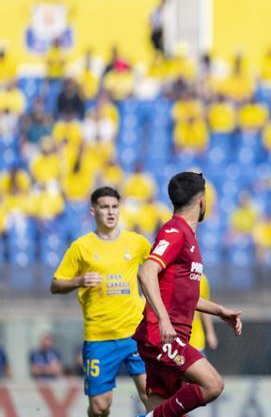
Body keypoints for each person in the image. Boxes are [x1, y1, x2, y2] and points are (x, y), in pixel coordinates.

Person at [134, 171, 243, 417]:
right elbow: (146, 272)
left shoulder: (187, 236)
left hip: (171, 335)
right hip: (162, 335)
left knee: (167, 409)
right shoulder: (175, 231)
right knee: (213, 384)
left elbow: (182, 295)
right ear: (203, 200)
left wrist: (219, 311)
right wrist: (162, 319)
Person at [50, 186, 152, 416]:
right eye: (104, 207)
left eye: (115, 206)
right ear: (93, 210)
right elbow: (55, 284)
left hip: (136, 333)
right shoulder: (81, 247)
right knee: (100, 407)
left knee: (150, 396)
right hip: (100, 337)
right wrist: (79, 281)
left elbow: (157, 270)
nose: (110, 212)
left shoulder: (137, 243)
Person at [189, 274, 218, 354]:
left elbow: (205, 310)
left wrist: (210, 332)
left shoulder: (202, 279)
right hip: (177, 338)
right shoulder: (175, 276)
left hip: (196, 338)